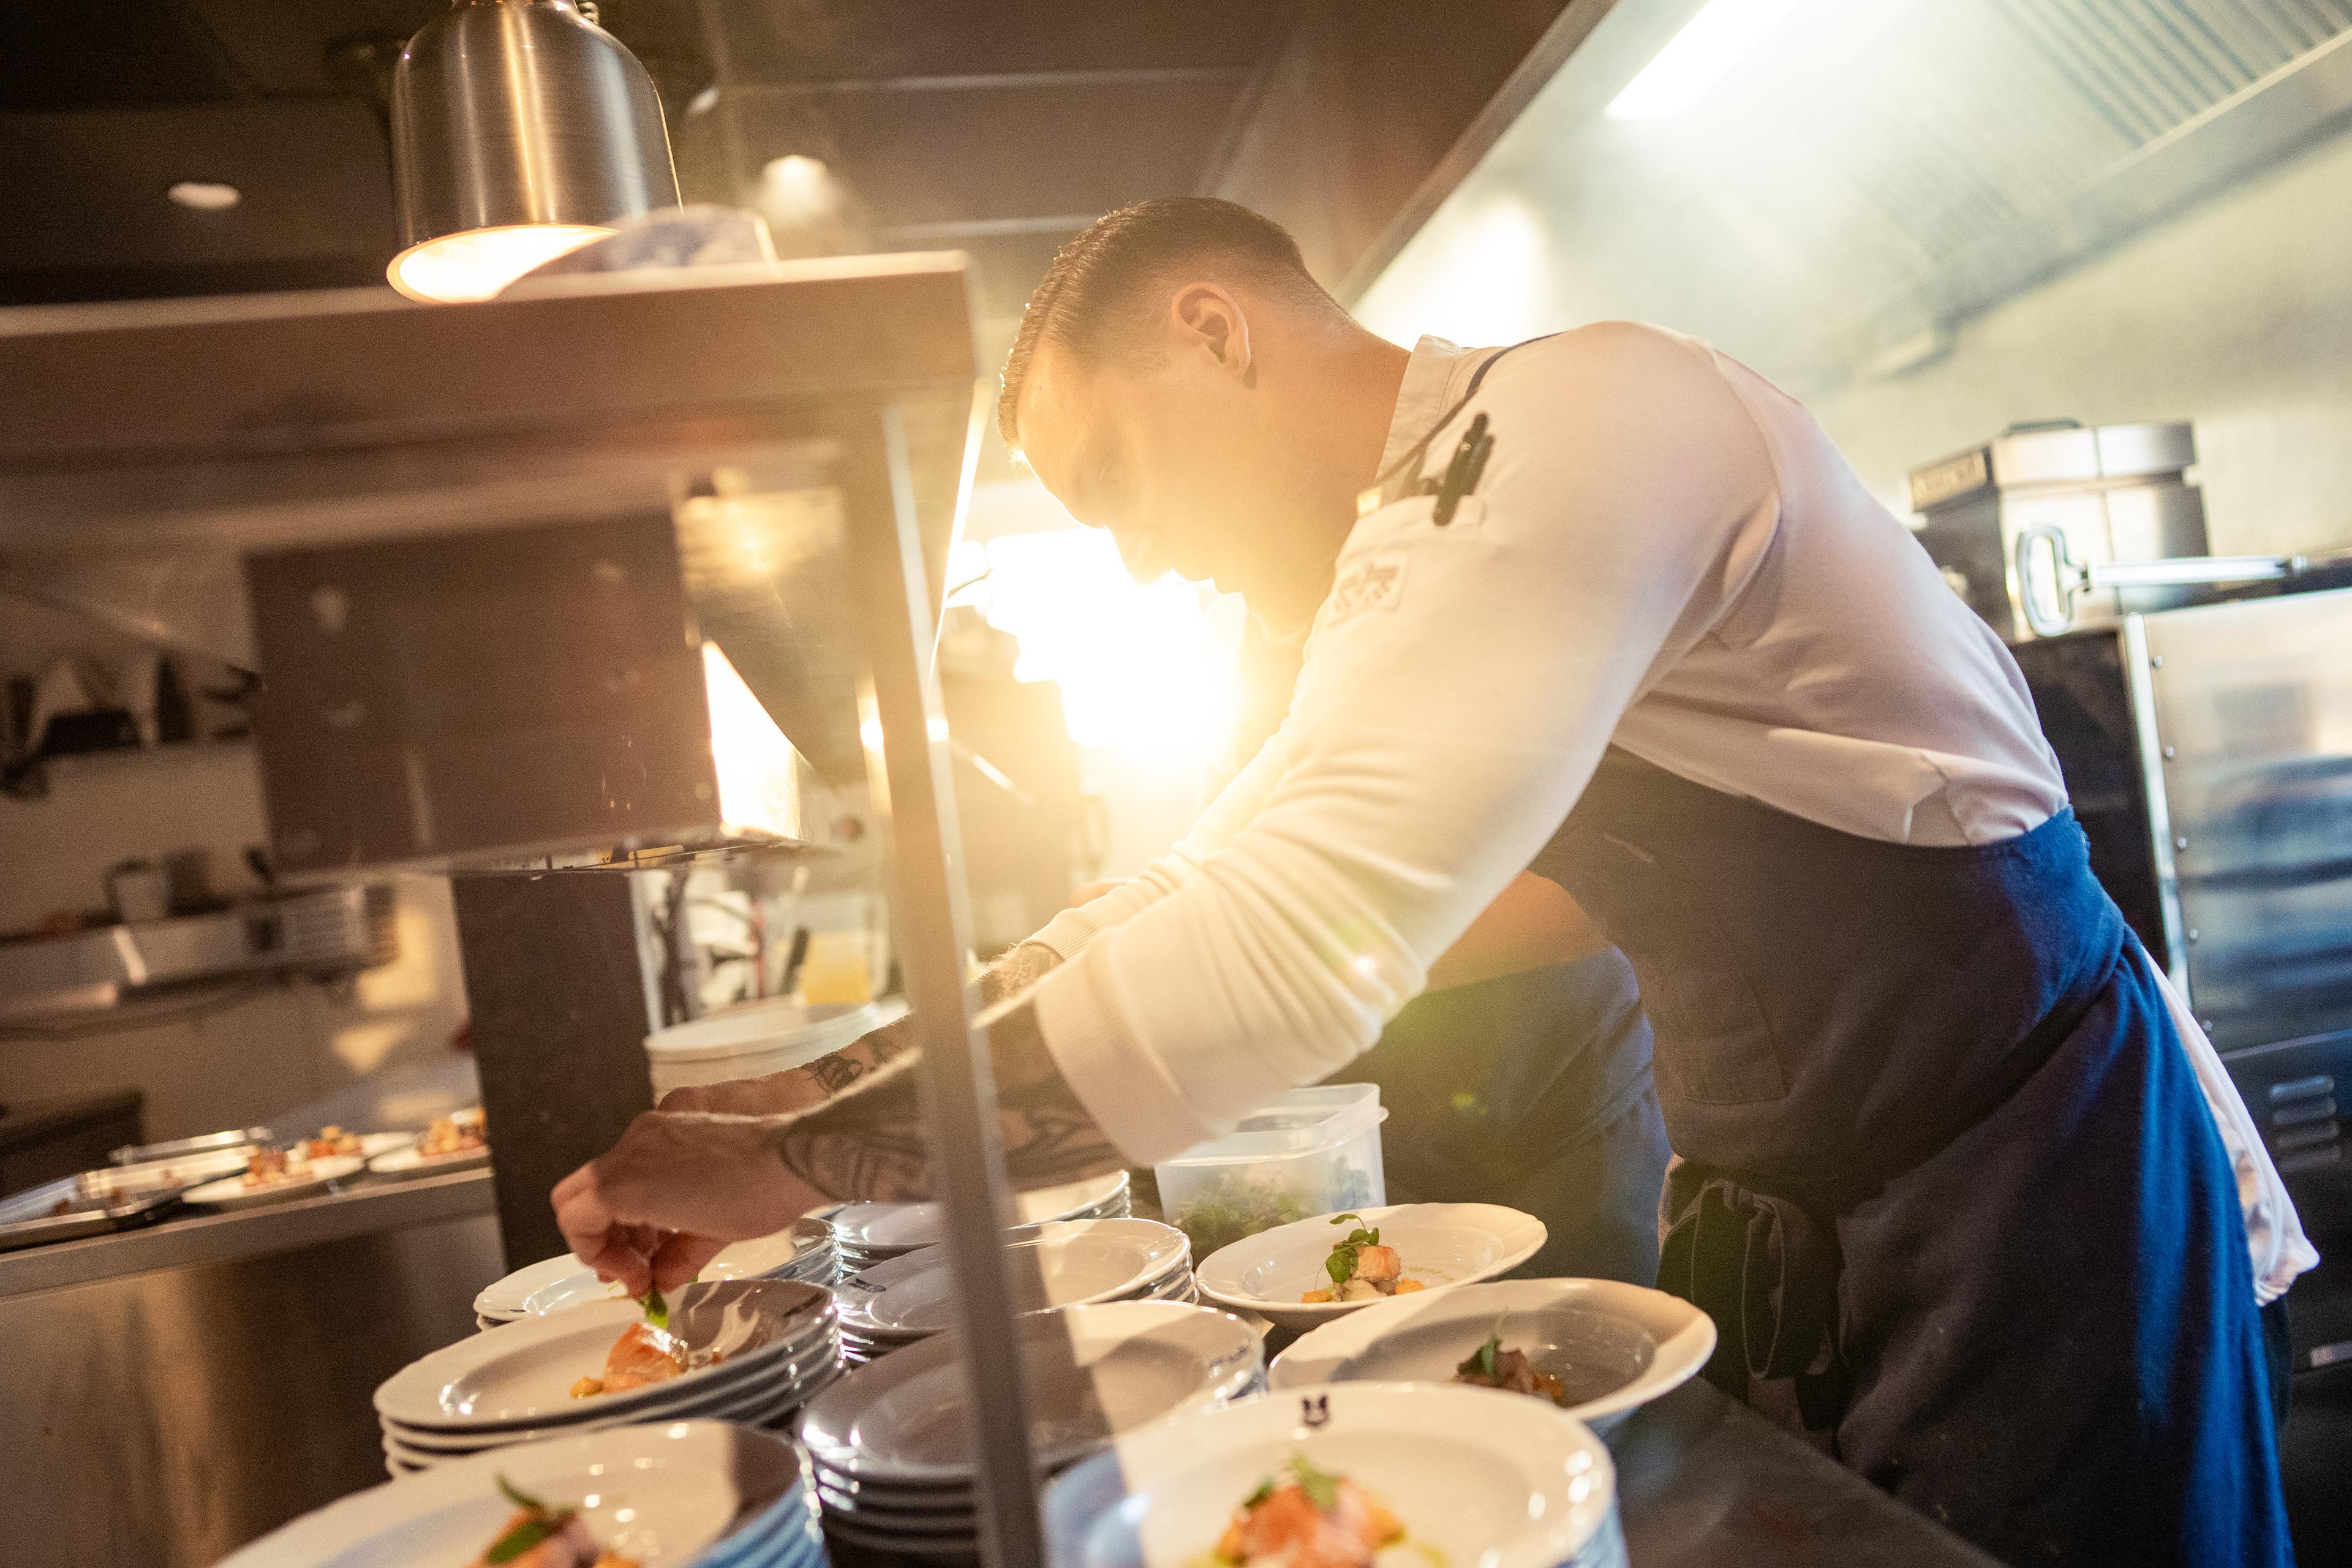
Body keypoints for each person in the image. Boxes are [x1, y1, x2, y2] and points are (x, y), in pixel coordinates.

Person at [554, 198, 2314, 1567]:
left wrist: (786, 1171)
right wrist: (807, 1095)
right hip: (1805, 1213)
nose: (1146, 560)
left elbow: (1272, 960)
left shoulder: (1583, 414)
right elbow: (1199, 883)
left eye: (1119, 484)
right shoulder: (1401, 565)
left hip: (2022, 1189)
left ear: (1214, 329)